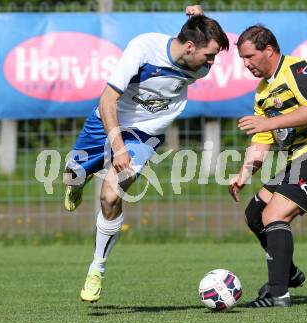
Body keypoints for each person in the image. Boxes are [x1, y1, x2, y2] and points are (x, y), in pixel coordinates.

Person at [63, 6, 229, 303]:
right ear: (191, 47)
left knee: (111, 196)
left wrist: (197, 19)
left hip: (145, 132)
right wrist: (117, 146)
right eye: (210, 55)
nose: (212, 63)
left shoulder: (199, 65)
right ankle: (77, 182)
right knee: (71, 174)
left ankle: (96, 268)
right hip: (108, 118)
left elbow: (190, 41)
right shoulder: (143, 48)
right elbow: (107, 100)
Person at [229, 25, 307, 308]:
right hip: (301, 159)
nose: (245, 64)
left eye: (249, 56)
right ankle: (288, 273)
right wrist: (244, 173)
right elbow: (261, 142)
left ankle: (277, 293)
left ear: (269, 51)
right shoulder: (262, 93)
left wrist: (268, 123)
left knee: (275, 213)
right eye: (241, 58)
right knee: (255, 213)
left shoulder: (297, 69)